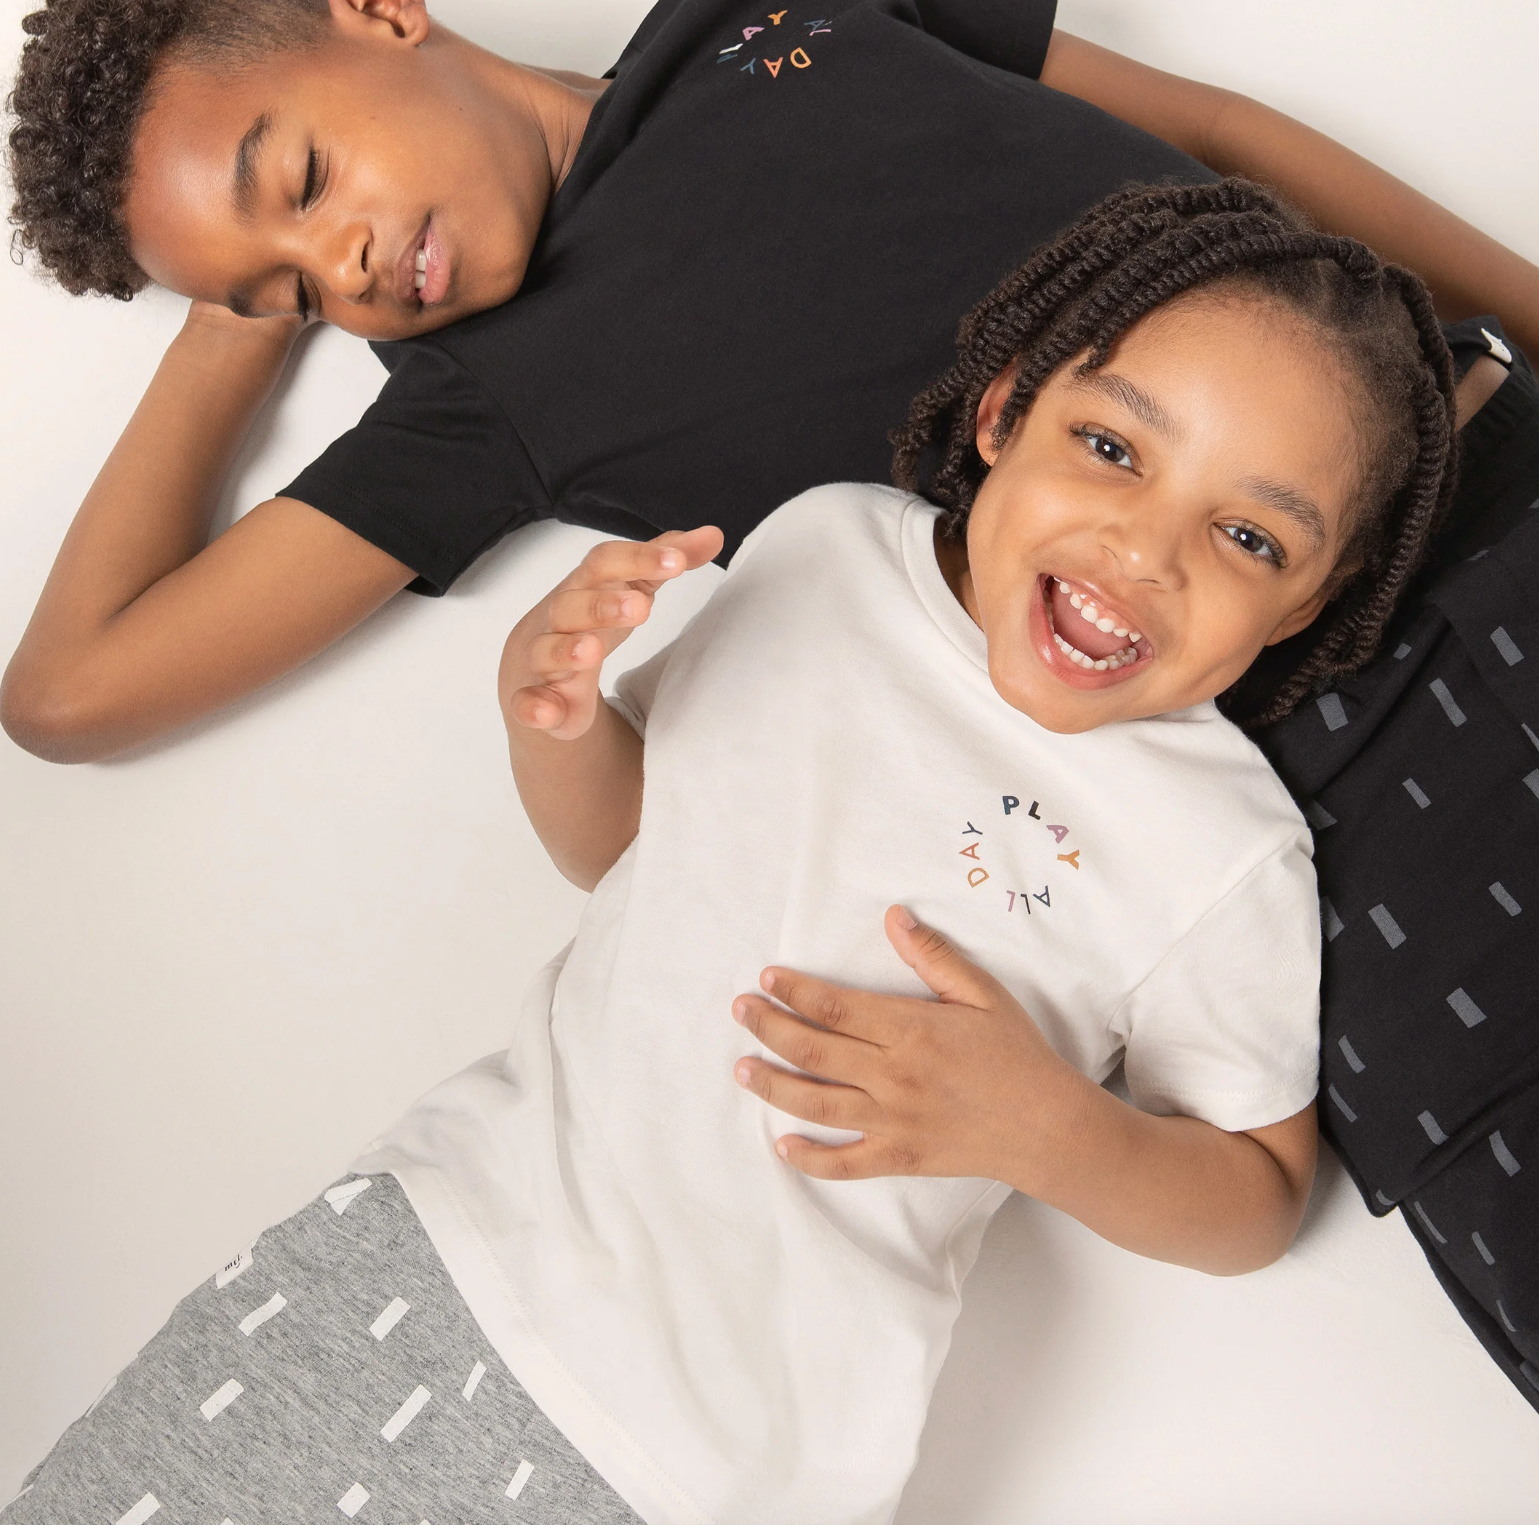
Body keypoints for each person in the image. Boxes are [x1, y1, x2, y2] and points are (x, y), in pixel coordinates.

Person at [7, 180, 1460, 1525]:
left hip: (705, 1461)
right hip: (429, 1242)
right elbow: (629, 849)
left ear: (1308, 606)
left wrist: (1047, 1128)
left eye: (1251, 540)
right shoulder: (831, 551)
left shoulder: (1220, 844)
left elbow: (1256, 1200)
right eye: (1112, 448)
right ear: (1006, 409)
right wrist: (553, 718)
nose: (1147, 550)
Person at [3, 0, 1539, 764]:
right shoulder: (474, 409)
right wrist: (229, 326)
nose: (349, 267)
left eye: (304, 180)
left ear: (379, 7)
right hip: (1300, 740)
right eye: (297, 289)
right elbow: (67, 696)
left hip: (1501, 458)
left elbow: (1222, 136)